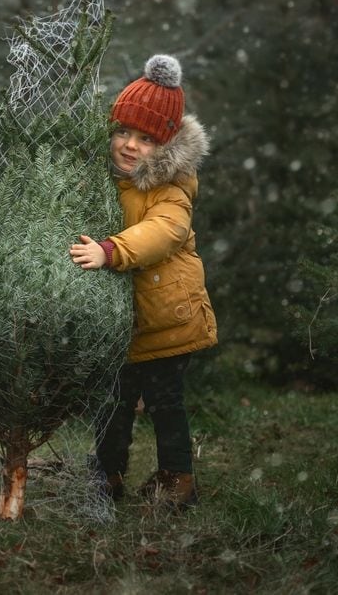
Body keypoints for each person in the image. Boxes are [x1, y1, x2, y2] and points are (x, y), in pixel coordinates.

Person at [69, 53, 218, 509]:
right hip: (125, 324)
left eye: (146, 138)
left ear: (167, 145)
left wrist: (111, 250)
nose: (131, 145)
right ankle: (108, 477)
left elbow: (162, 233)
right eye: (123, 132)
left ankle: (178, 482)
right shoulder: (104, 179)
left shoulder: (170, 187)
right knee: (113, 405)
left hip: (168, 320)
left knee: (165, 404)